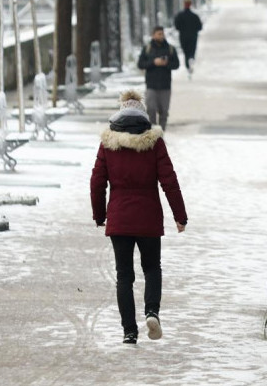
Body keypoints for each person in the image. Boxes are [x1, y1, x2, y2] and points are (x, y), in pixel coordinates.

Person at [90, 90, 188, 345]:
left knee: (124, 275)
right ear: (143, 112)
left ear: (120, 110)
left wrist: (100, 215)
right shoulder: (154, 142)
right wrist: (180, 216)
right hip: (148, 218)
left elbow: (97, 181)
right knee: (152, 268)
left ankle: (129, 331)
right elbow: (169, 180)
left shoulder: (108, 143)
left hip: (120, 218)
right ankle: (152, 312)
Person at [137, 26, 180, 130]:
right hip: (151, 85)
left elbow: (176, 64)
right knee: (151, 109)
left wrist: (166, 63)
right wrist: (153, 62)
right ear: (153, 35)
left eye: (162, 33)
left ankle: (161, 133)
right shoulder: (147, 48)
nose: (161, 36)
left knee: (164, 111)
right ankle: (152, 132)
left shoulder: (170, 48)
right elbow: (140, 64)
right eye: (159, 34)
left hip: (165, 85)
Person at [173, 0, 203, 74]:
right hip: (193, 36)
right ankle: (191, 59)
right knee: (192, 50)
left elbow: (176, 26)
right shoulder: (194, 16)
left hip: (183, 36)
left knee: (185, 51)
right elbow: (200, 27)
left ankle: (187, 65)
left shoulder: (179, 16)